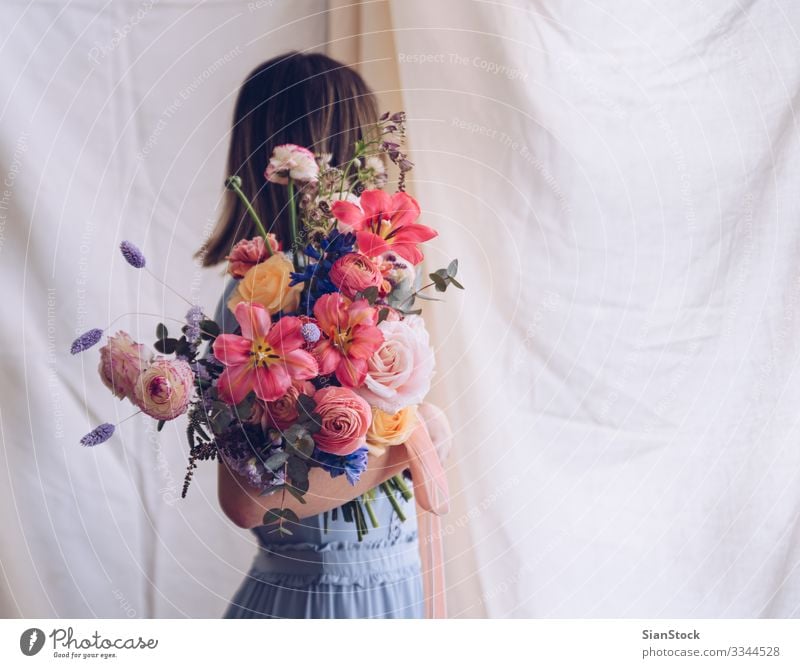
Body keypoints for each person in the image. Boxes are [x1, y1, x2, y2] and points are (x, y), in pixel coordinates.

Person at [198, 51, 452, 619]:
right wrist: (414, 443)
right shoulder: (260, 298)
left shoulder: (377, 281)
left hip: (395, 583)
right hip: (323, 602)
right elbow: (247, 503)